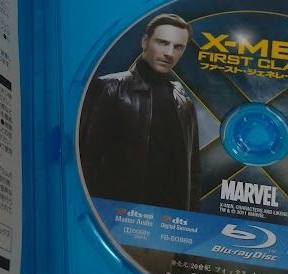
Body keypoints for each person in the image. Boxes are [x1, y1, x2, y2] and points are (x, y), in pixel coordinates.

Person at [79, 14, 201, 210]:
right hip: (115, 216)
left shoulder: (183, 100)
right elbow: (84, 158)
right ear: (145, 41)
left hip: (170, 219)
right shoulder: (110, 87)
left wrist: (191, 219)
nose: (169, 53)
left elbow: (193, 172)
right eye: (162, 43)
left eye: (178, 47)